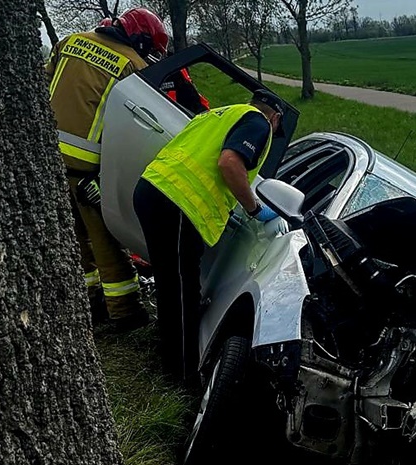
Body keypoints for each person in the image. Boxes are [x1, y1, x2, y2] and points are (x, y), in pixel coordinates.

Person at [133, 90, 283, 381]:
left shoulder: (221, 113)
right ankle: (180, 375)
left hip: (153, 188)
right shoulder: (259, 123)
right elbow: (229, 162)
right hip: (179, 203)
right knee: (182, 291)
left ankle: (168, 356)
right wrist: (254, 208)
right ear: (275, 118)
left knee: (171, 284)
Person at [46, 7, 168, 331]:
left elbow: (45, 83)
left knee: (74, 237)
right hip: (89, 168)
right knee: (105, 240)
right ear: (141, 40)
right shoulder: (133, 65)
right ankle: (126, 311)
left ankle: (90, 300)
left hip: (50, 159)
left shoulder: (68, 42)